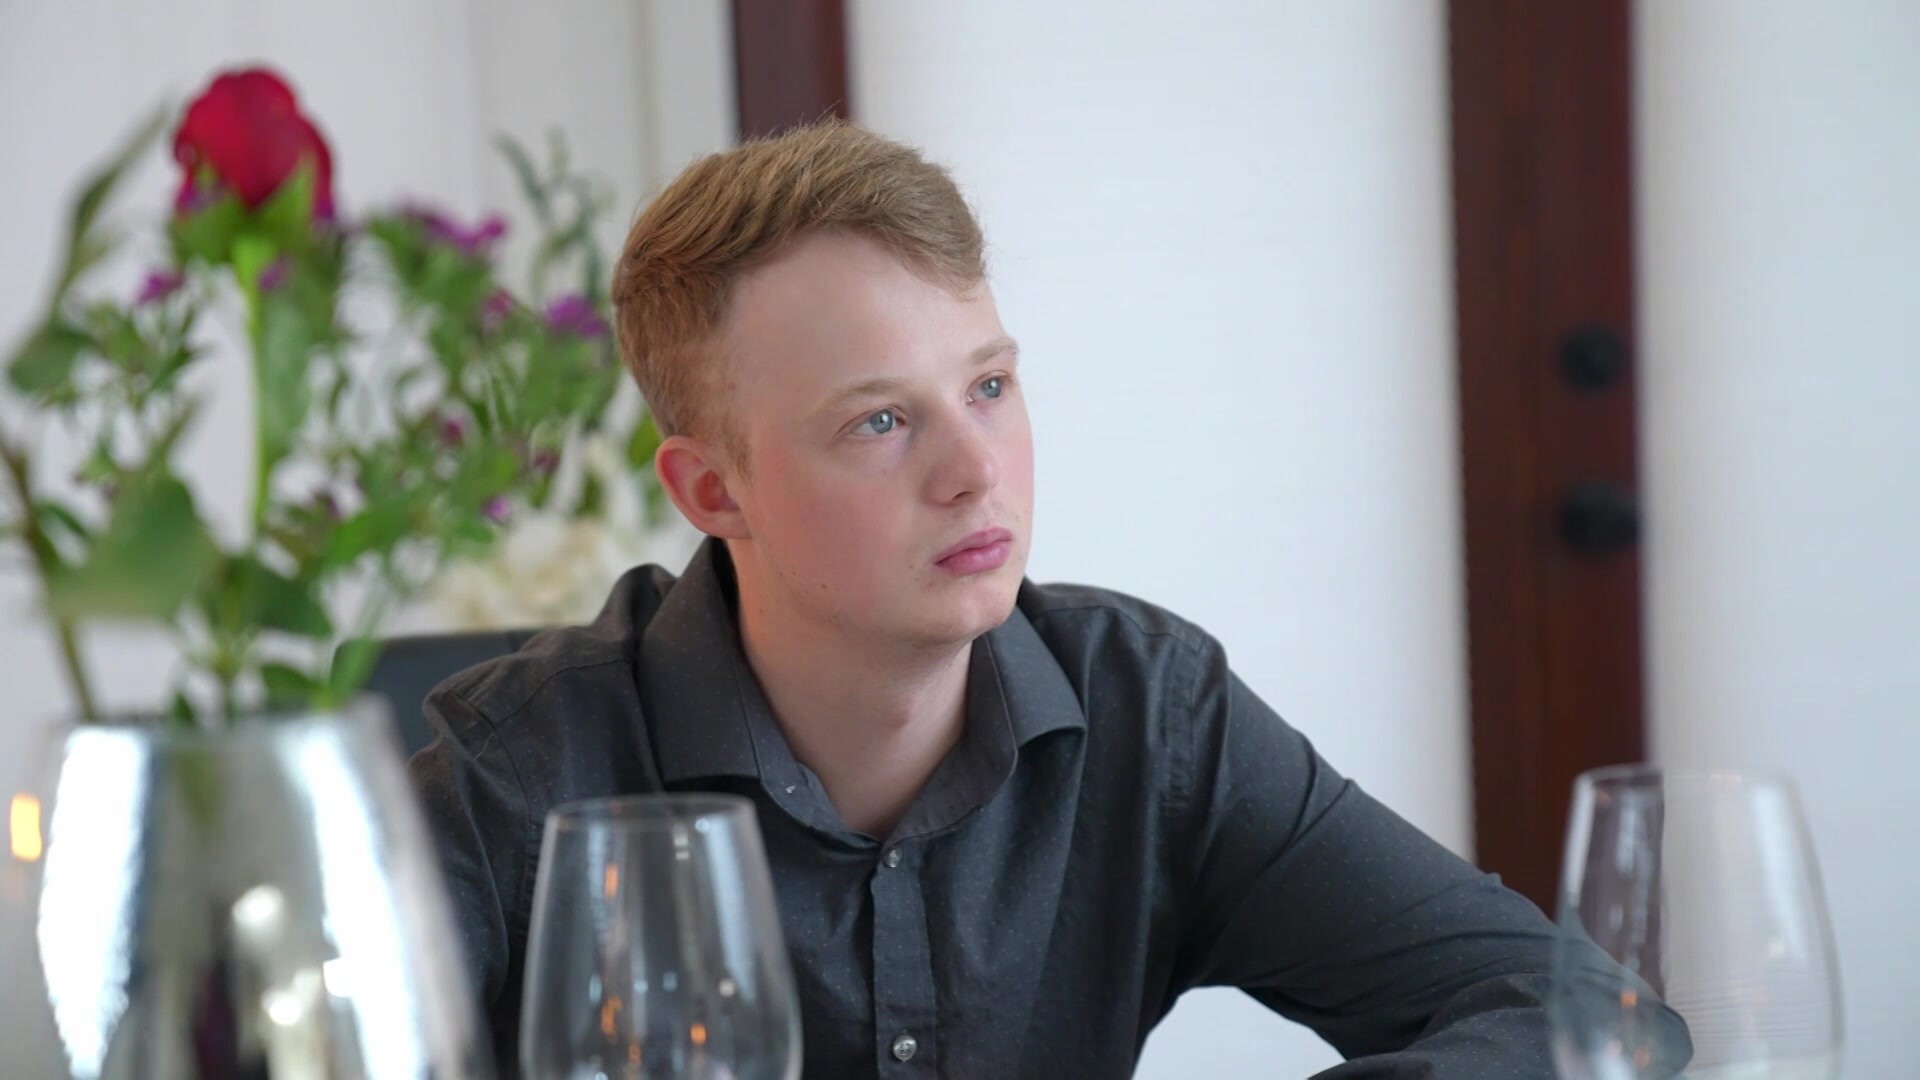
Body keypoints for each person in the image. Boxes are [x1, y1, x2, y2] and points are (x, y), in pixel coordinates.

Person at [410, 119, 1569, 1078]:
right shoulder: (523, 775)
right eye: (880, 420)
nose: (976, 470)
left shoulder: (1149, 710)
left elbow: (1571, 1014)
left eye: (990, 386)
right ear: (714, 489)